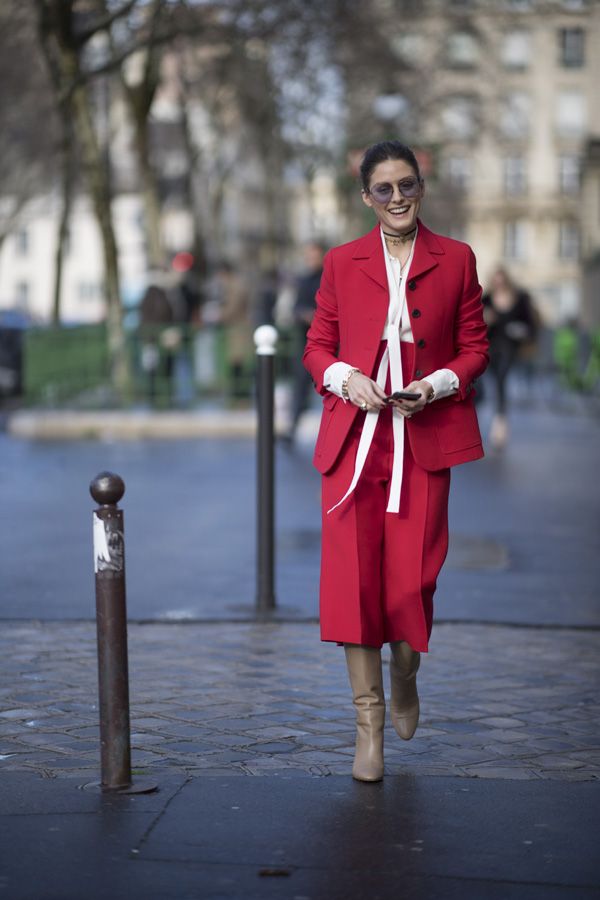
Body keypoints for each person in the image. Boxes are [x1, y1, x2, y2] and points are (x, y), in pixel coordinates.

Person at [303, 141, 489, 782]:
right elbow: (316, 345)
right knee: (355, 589)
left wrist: (435, 384)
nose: (398, 197)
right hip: (355, 439)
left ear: (421, 187)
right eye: (383, 189)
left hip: (424, 434)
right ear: (366, 198)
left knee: (413, 582)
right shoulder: (341, 261)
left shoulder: (457, 259)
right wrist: (342, 376)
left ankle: (406, 676)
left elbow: (475, 348)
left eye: (406, 184)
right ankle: (369, 726)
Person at [482, 268, 539, 448]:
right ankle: (496, 419)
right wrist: (485, 320)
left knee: (501, 380)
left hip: (510, 347)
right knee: (491, 381)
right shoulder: (487, 300)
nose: (498, 285)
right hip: (489, 348)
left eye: (502, 282)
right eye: (495, 282)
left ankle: (500, 423)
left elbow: (531, 325)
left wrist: (522, 331)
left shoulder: (520, 299)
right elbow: (474, 324)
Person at [285, 242, 327, 442]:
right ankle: (292, 428)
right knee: (299, 387)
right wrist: (304, 315)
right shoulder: (302, 280)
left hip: (329, 346)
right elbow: (294, 309)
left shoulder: (328, 278)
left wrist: (317, 317)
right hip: (306, 343)